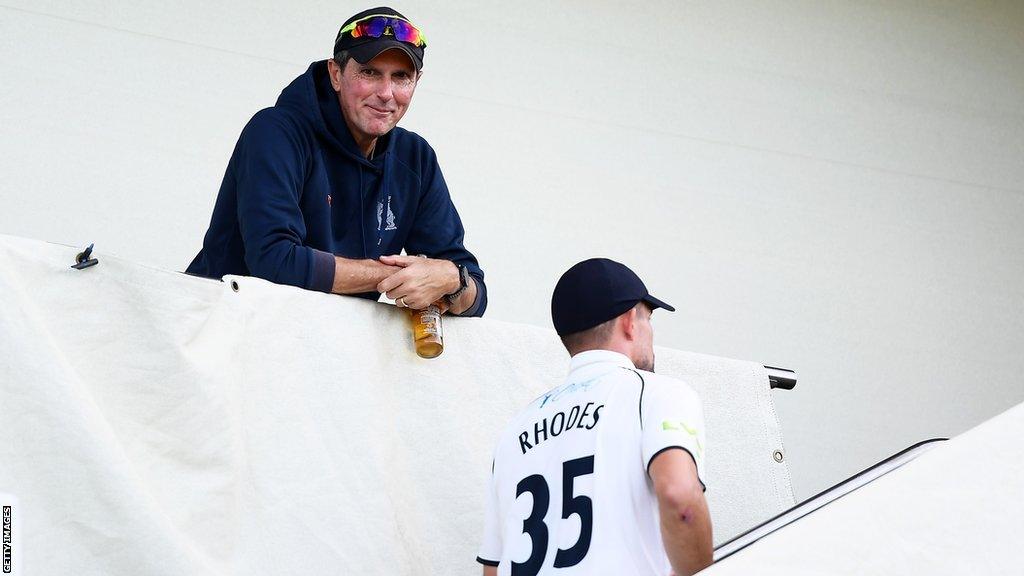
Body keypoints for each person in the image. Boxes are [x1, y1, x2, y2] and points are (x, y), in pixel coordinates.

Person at [187, 7, 485, 316]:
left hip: (323, 344)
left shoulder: (416, 158)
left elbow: (475, 293)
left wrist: (452, 279)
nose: (386, 93)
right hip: (220, 332)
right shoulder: (276, 131)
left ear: (416, 82)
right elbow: (275, 261)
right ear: (335, 74)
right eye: (369, 72)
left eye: (401, 78)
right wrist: (401, 276)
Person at [477, 258, 712, 575]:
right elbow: (680, 497)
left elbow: (493, 567)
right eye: (648, 319)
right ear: (630, 321)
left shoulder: (515, 429)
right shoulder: (657, 393)